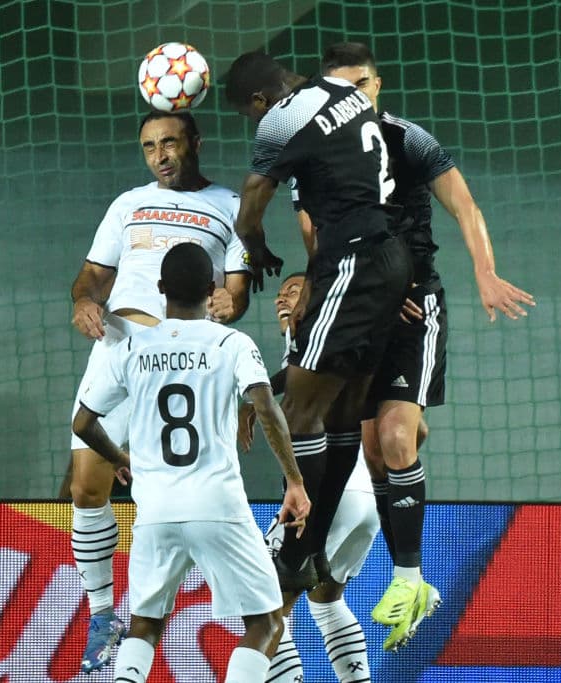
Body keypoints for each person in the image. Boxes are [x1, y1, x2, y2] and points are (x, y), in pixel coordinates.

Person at [315, 42, 537, 651]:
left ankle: (411, 581)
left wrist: (485, 273)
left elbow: (464, 205)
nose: (353, 97)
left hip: (417, 307)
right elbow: (313, 229)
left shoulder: (408, 139)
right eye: (340, 88)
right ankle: (409, 441)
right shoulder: (319, 152)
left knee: (391, 440)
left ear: (377, 86)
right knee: (376, 446)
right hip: (362, 310)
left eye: (362, 85)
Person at [59, 110, 252, 672]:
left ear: (195, 141)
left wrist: (229, 305)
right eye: (149, 146)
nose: (160, 155)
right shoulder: (127, 204)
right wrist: (84, 302)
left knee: (181, 497)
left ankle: (246, 621)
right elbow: (92, 275)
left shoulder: (231, 207)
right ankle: (102, 615)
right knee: (86, 488)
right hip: (118, 347)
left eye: (170, 142)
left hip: (182, 360)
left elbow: (236, 290)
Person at [72, 243, 310, 682]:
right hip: (217, 506)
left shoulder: (131, 348)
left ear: (161, 289)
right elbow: (266, 406)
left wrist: (121, 458)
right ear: (212, 288)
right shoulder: (231, 342)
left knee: (145, 626)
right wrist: (294, 480)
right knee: (266, 622)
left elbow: (84, 422)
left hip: (155, 511)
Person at [223, 51, 414, 599]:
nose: (253, 123)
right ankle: (308, 549)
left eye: (248, 113)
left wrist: (254, 249)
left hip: (352, 258)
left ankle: (297, 537)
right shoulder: (347, 95)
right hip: (385, 253)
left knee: (302, 406)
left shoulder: (282, 115)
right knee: (345, 409)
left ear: (260, 100)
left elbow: (252, 203)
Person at [239, 272, 380, 683]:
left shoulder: (318, 332)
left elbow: (302, 378)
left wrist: (255, 397)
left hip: (328, 497)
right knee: (325, 600)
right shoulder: (306, 347)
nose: (283, 297)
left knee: (266, 606)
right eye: (280, 292)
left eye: (294, 290)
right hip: (363, 498)